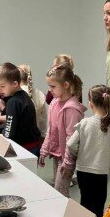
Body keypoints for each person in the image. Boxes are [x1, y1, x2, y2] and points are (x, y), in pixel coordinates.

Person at [64, 85, 110, 217]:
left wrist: (78, 154)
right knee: (99, 204)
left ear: (90, 103)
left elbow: (70, 144)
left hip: (83, 171)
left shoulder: (85, 123)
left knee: (85, 201)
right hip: (102, 172)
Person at [39, 64, 86, 197]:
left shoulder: (72, 109)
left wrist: (68, 162)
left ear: (65, 85)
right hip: (57, 155)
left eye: (53, 86)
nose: (50, 90)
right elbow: (51, 129)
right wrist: (44, 150)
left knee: (60, 192)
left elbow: (72, 139)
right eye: (49, 86)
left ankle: (66, 211)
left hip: (66, 158)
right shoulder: (54, 103)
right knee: (59, 191)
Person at [0, 62, 41, 152]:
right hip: (33, 145)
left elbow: (9, 132)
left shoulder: (13, 102)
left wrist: (0, 151)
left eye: (2, 86)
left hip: (23, 148)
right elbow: (15, 123)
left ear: (15, 84)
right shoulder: (24, 95)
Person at [18, 64, 47, 138]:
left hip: (20, 139)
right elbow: (43, 120)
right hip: (36, 137)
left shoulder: (15, 95)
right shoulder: (40, 94)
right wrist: (43, 137)